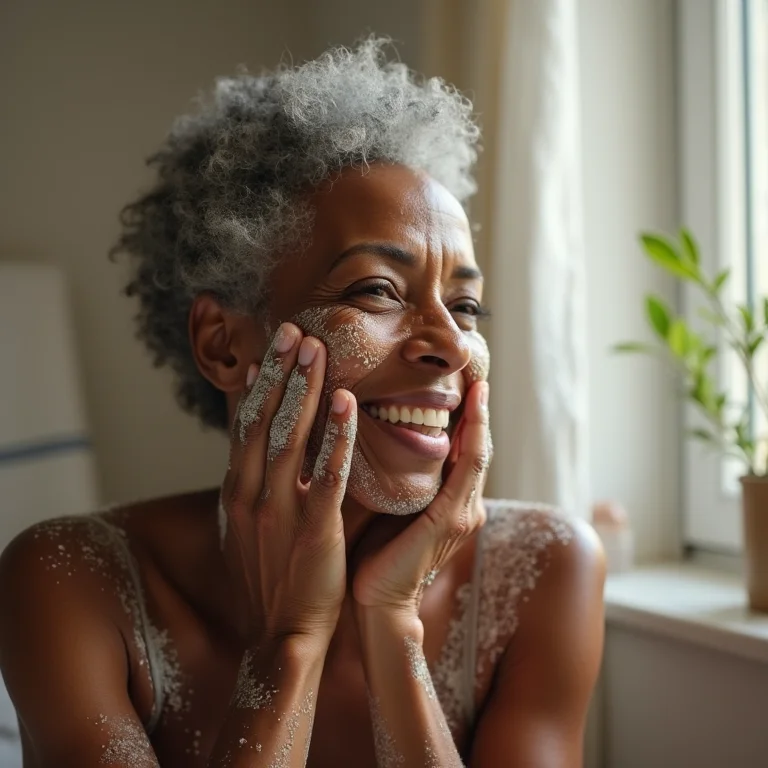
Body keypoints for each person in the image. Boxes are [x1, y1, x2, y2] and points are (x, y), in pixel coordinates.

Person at [0, 38, 604, 767]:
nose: (450, 344)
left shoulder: (546, 568)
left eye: (466, 305)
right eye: (376, 290)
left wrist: (392, 625)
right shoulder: (67, 581)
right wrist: (288, 644)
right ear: (225, 345)